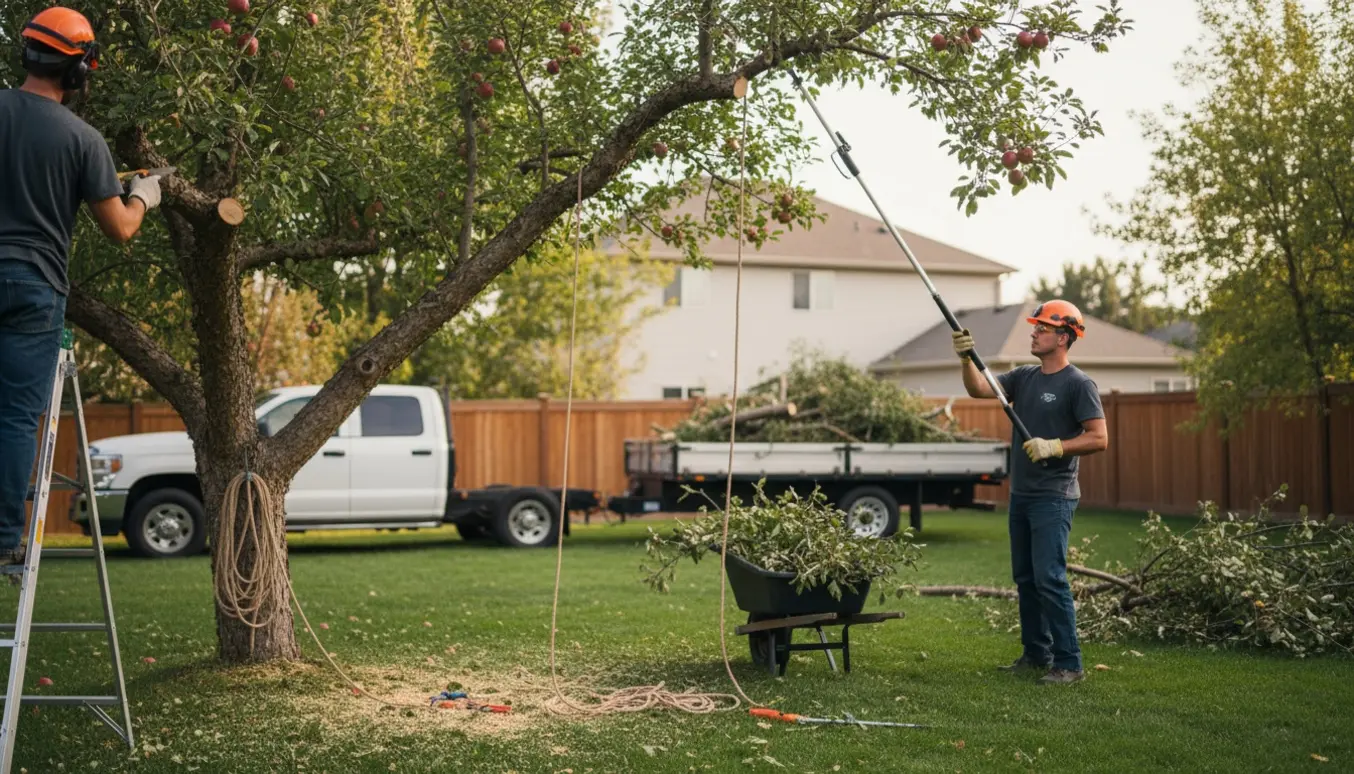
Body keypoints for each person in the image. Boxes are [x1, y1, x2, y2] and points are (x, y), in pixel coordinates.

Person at [1, 7, 162, 573]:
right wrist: (143, 194)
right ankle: (1, 539)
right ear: (77, 73)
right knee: (17, 416)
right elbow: (119, 228)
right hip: (34, 288)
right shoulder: (83, 139)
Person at [952, 300, 1109, 684]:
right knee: (1025, 578)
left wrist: (1054, 446)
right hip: (1022, 494)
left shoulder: (1079, 384)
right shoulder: (1024, 377)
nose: (1034, 332)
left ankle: (1069, 663)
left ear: (1063, 337)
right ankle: (1036, 653)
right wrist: (964, 357)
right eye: (1035, 327)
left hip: (1054, 496)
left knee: (1050, 578)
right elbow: (977, 389)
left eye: (1042, 328)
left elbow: (1099, 438)